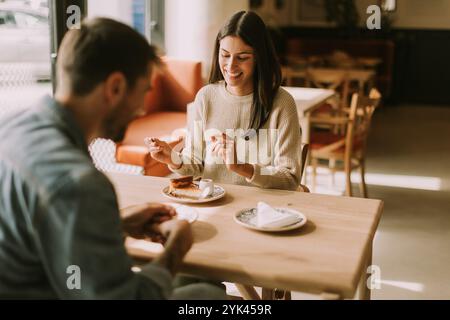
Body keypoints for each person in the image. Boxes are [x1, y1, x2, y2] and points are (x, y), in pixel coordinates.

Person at [0, 17, 226, 300]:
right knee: (208, 296)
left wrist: (118, 223)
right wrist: (177, 248)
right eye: (144, 92)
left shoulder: (10, 126)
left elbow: (39, 229)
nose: (142, 109)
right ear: (115, 87)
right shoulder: (79, 184)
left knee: (197, 280)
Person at [147, 11, 302, 191]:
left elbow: (289, 178)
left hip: (262, 210)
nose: (230, 65)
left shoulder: (282, 103)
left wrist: (243, 168)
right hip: (215, 204)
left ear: (260, 57)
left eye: (242, 57)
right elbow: (195, 165)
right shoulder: (205, 97)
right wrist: (172, 158)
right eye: (225, 54)